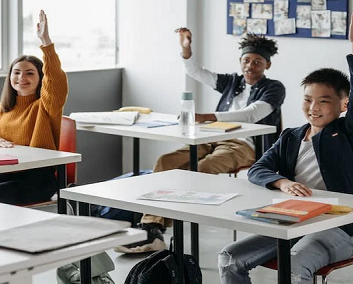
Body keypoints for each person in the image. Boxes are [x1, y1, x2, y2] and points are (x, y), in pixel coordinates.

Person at [218, 7, 353, 284]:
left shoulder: (347, 133)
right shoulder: (291, 136)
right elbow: (258, 169)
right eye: (307, 100)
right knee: (230, 258)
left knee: (295, 265)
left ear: (342, 105)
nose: (314, 108)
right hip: (293, 221)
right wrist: (283, 182)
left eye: (324, 101)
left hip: (342, 228)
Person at [118, 30, 285, 254]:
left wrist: (209, 116)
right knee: (167, 161)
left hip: (245, 146)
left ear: (268, 65)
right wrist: (186, 50)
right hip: (212, 137)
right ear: (240, 61)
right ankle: (152, 227)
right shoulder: (232, 82)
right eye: (246, 60)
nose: (250, 66)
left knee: (201, 169)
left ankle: (154, 228)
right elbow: (197, 72)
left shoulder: (274, 88)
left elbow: (251, 114)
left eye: (257, 62)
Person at [0, 10, 68, 207]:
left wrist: (46, 42)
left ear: (41, 79)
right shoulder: (5, 108)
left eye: (30, 73)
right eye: (16, 72)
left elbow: (57, 82)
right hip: (5, 174)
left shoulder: (46, 106)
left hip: (37, 181)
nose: (22, 78)